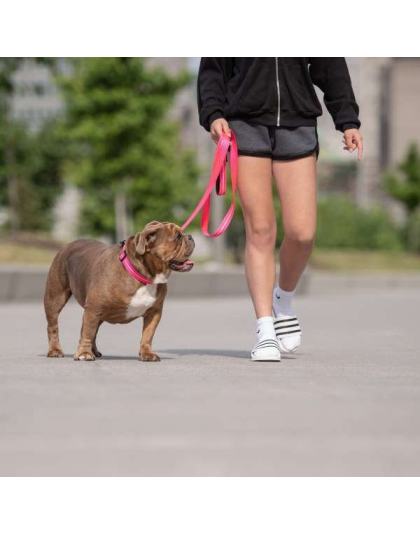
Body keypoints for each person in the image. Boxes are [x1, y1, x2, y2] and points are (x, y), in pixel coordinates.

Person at [197, 58, 363, 362]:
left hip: (297, 123)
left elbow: (331, 66)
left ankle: (283, 300)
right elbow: (214, 68)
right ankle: (265, 329)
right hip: (244, 124)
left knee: (302, 233)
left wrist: (348, 119)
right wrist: (213, 114)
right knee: (260, 230)